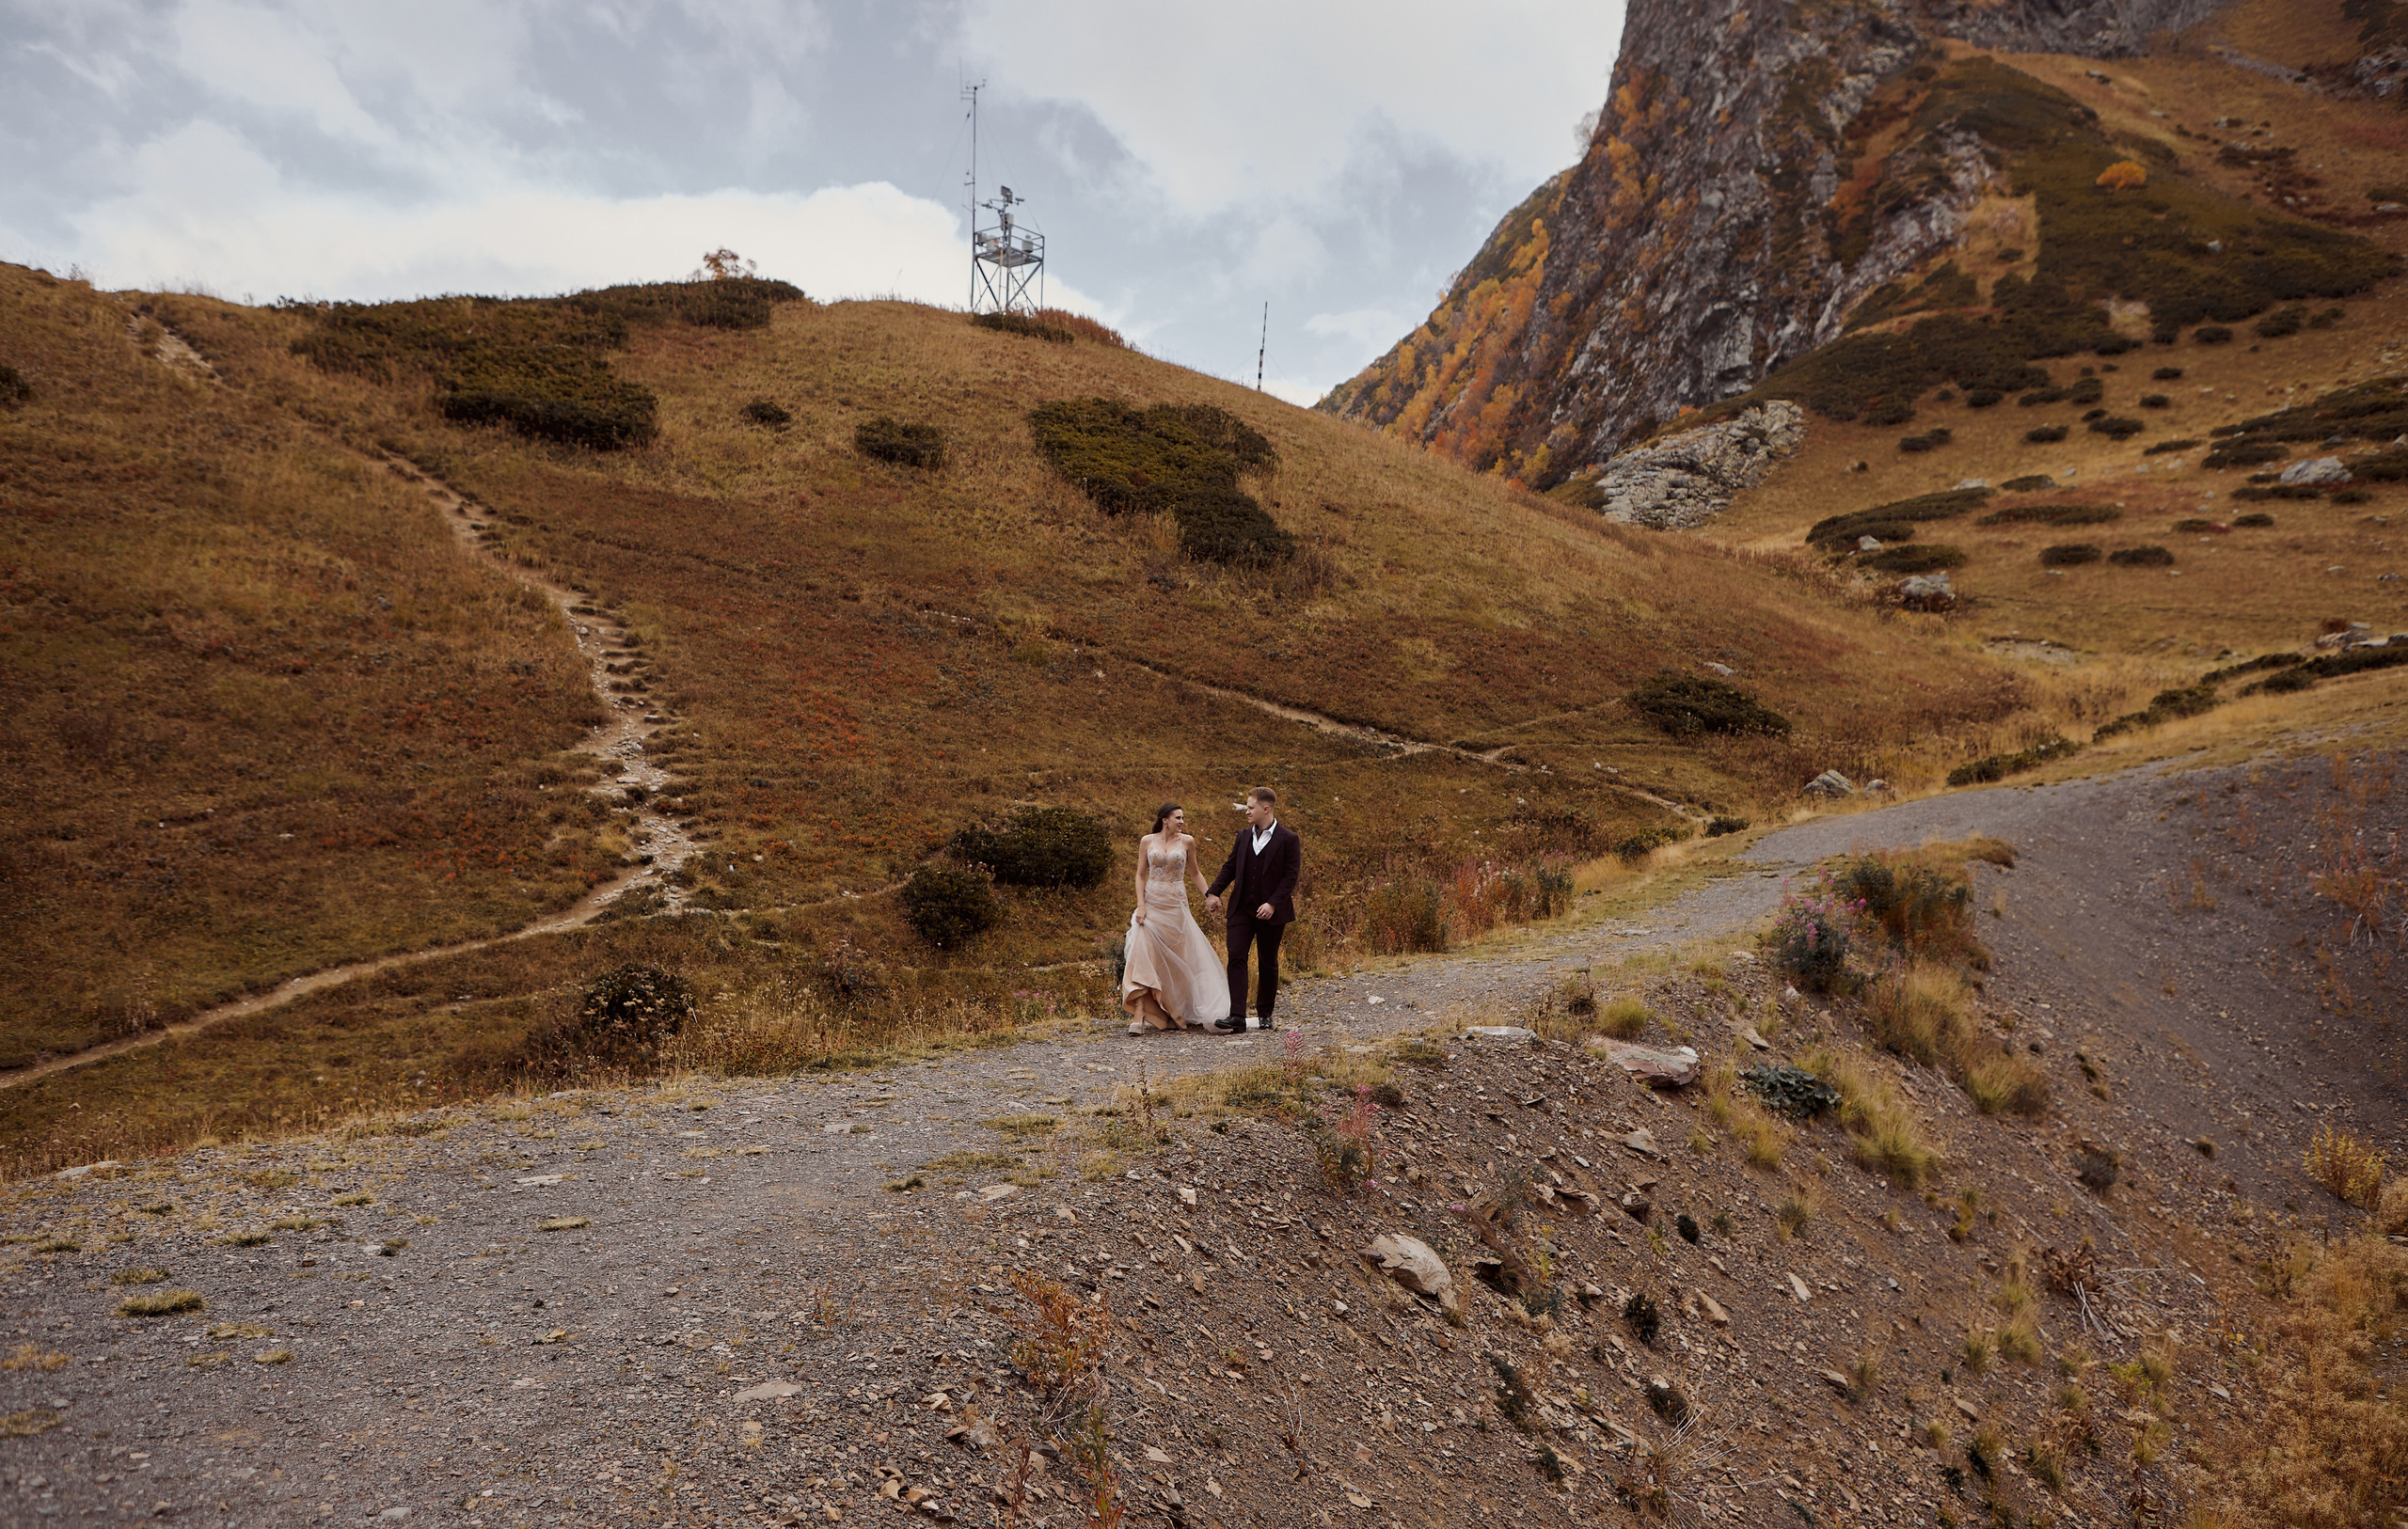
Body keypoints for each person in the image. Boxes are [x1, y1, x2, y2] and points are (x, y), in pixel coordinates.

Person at [1120, 804, 1232, 1035]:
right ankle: (1140, 1014)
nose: (1182, 821)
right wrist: (1141, 905)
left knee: (1176, 961)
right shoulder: (1147, 841)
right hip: (1152, 904)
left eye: (1183, 818)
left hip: (1176, 905)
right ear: (1165, 819)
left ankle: (1174, 1010)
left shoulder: (1187, 841)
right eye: (1177, 817)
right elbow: (1140, 874)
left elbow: (1195, 873)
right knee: (1142, 953)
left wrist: (1209, 895)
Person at [1205, 787, 1298, 1032]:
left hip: (1272, 912)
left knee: (1268, 963)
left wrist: (1273, 903)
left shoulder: (1288, 839)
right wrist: (1214, 892)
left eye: (1250, 807)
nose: (1246, 811)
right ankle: (1237, 1016)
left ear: (1265, 809)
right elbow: (1231, 866)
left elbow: (1290, 877)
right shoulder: (1243, 836)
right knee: (1236, 956)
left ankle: (1265, 1014)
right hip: (1241, 909)